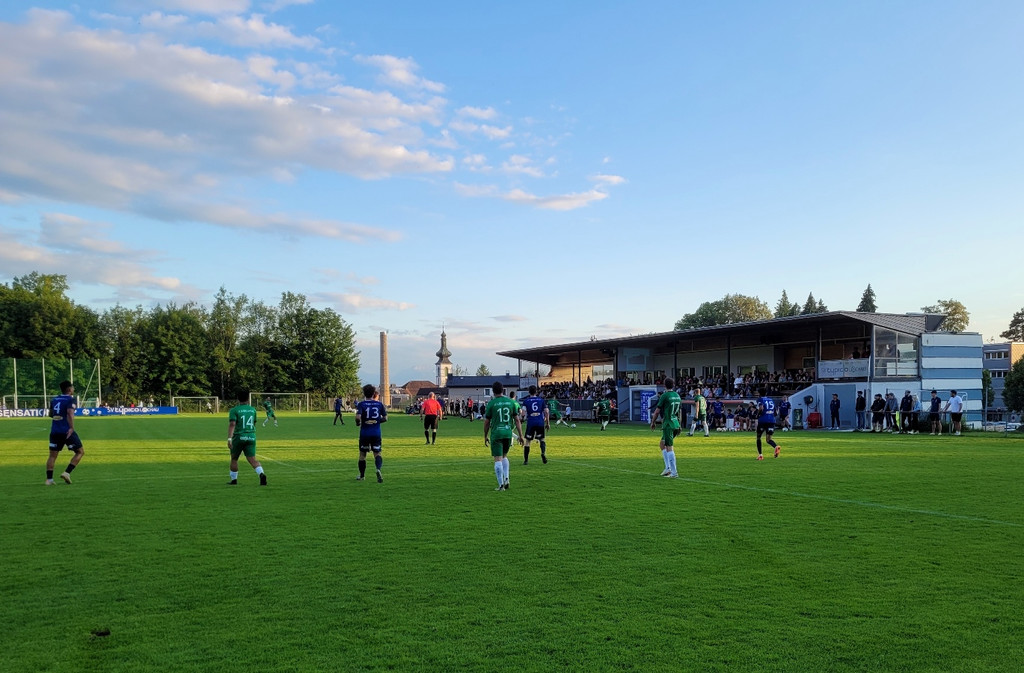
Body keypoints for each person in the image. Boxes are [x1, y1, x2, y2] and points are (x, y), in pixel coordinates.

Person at [483, 382, 523, 491]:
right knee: (504, 456)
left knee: (497, 459)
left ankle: (501, 486)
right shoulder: (511, 402)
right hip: (508, 434)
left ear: (493, 391)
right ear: (503, 390)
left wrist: (485, 436)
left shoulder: (491, 404)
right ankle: (507, 478)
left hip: (497, 434)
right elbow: (517, 420)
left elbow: (487, 422)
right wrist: (521, 435)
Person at [45, 380, 84, 485]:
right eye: (72, 387)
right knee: (80, 452)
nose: (73, 389)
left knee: (52, 456)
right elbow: (70, 413)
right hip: (66, 431)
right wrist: (71, 427)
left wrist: (58, 417)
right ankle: (67, 473)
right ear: (69, 389)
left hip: (55, 430)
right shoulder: (70, 400)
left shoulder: (54, 400)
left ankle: (49, 480)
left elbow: (50, 414)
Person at [227, 390, 267, 486]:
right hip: (251, 436)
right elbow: (254, 423)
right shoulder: (253, 410)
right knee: (252, 459)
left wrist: (229, 439)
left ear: (238, 399)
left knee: (234, 458)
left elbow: (232, 424)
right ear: (248, 399)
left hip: (239, 436)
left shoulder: (234, 410)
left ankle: (234, 480)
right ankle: (261, 474)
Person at [650, 377, 682, 478]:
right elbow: (679, 411)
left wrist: (653, 422)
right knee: (662, 444)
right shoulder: (677, 395)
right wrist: (679, 424)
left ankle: (674, 472)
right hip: (676, 423)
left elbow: (657, 411)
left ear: (664, 385)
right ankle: (668, 468)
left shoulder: (665, 395)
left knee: (669, 447)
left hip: (668, 424)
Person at [355, 384, 387, 482]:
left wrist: (359, 423)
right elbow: (385, 418)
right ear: (374, 394)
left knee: (362, 455)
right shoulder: (379, 404)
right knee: (377, 453)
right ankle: (378, 469)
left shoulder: (361, 404)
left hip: (365, 433)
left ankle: (362, 476)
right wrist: (376, 421)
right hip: (376, 432)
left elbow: (357, 417)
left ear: (364, 393)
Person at [520, 385, 550, 464]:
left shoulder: (526, 401)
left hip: (531, 422)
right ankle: (543, 453)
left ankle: (526, 460)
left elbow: (523, 413)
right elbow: (546, 411)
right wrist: (547, 423)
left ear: (529, 392)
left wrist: (522, 419)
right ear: (536, 392)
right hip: (540, 421)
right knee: (542, 439)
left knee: (528, 441)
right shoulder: (541, 400)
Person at [755, 389, 781, 460]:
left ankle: (760, 455)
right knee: (768, 439)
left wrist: (757, 415)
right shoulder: (771, 400)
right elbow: (776, 412)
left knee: (758, 438)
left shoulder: (760, 399)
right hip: (771, 420)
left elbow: (761, 407)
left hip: (763, 420)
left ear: (759, 393)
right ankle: (776, 447)